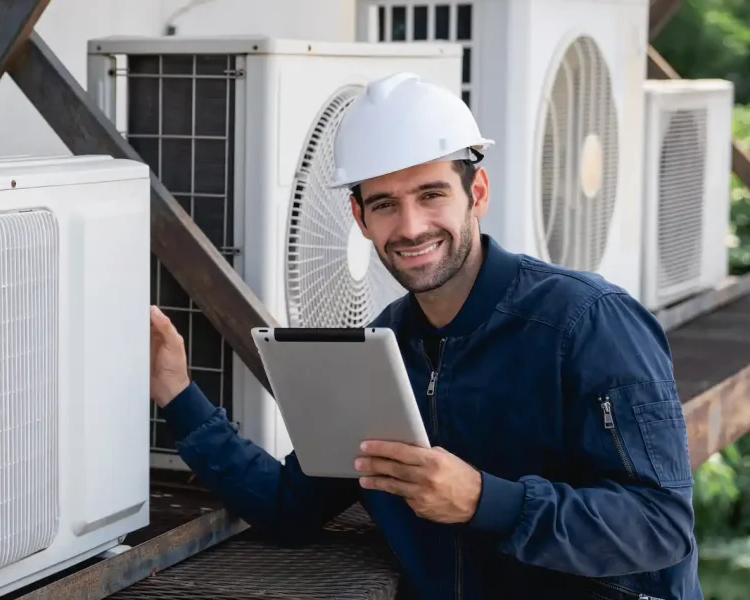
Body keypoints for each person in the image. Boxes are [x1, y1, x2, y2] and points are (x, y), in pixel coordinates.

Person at [147, 72, 702, 600]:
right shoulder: (379, 350)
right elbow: (288, 506)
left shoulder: (588, 322)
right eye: (385, 204)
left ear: (476, 192)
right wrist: (177, 393)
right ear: (360, 219)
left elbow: (660, 525)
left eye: (431, 194)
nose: (410, 227)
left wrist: (486, 501)